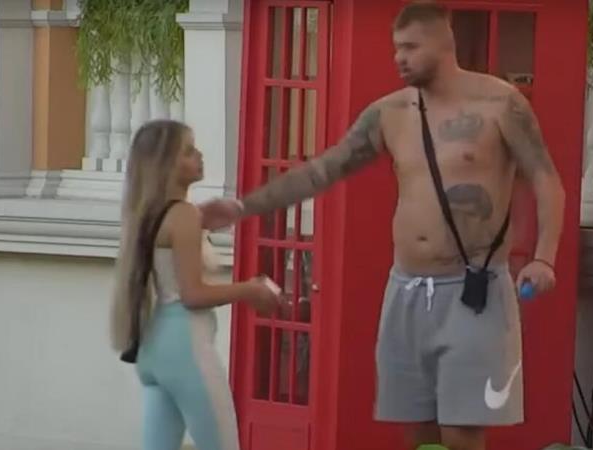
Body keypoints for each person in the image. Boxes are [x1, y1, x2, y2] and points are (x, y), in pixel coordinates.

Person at [198, 2, 565, 450]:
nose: (399, 58)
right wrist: (242, 207)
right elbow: (324, 169)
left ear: (443, 43)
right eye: (396, 48)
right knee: (416, 430)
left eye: (410, 47)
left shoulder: (500, 103)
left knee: (462, 431)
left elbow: (546, 179)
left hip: (474, 287)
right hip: (406, 287)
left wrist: (544, 257)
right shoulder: (389, 112)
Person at [110, 119, 280, 450]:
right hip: (185, 348)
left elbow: (168, 251)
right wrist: (250, 288)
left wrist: (202, 219)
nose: (199, 155)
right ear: (166, 165)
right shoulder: (184, 215)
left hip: (153, 345)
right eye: (188, 151)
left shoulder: (146, 213)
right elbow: (192, 294)